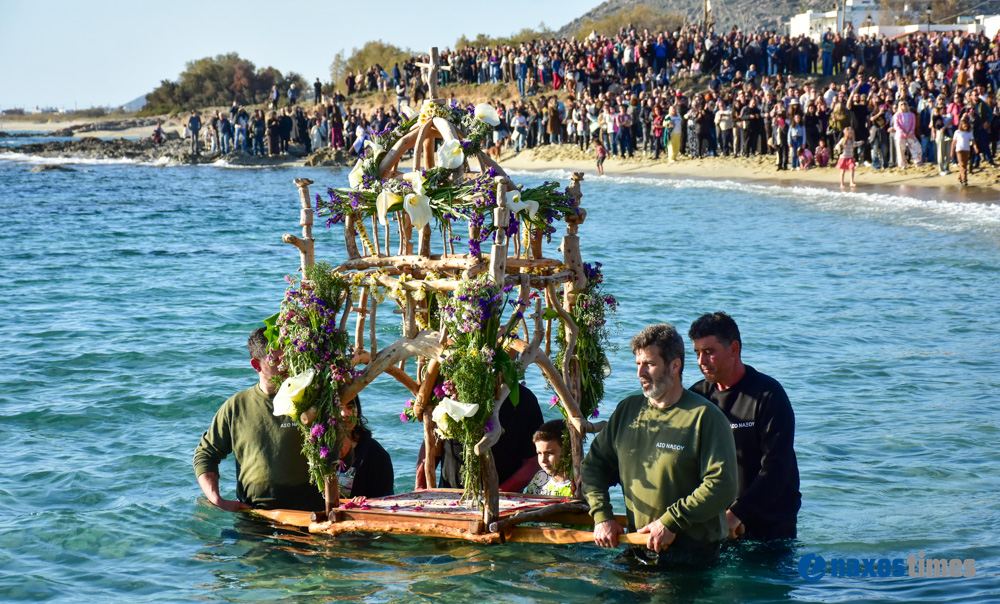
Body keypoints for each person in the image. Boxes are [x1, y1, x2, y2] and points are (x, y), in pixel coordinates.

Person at [582, 323, 737, 567]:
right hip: (637, 546)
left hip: (690, 554)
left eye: (650, 364)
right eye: (637, 364)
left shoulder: (704, 417)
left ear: (675, 366)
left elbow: (722, 485)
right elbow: (593, 466)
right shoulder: (627, 411)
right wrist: (602, 515)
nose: (640, 373)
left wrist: (671, 522)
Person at [688, 313, 801, 541]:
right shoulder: (696, 397)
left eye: (709, 352)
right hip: (719, 525)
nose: (701, 361)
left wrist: (737, 514)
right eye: (697, 353)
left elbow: (777, 468)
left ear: (734, 348)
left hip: (770, 528)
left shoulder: (769, 395)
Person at [193, 328, 324, 512]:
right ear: (256, 365)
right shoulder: (236, 406)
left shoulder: (309, 400)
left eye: (288, 357)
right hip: (254, 515)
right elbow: (205, 454)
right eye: (276, 360)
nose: (285, 365)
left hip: (309, 514)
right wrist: (217, 499)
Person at [416, 384, 542, 492]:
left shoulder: (523, 400)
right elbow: (432, 442)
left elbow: (533, 461)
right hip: (448, 492)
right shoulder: (452, 393)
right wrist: (420, 487)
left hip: (505, 498)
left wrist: (498, 495)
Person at [336, 395, 394, 499]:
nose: (344, 414)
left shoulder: (375, 454)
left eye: (350, 407)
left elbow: (385, 498)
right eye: (338, 408)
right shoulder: (318, 449)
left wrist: (365, 503)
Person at [525, 420, 572, 497]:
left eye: (550, 453)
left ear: (568, 450)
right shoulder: (540, 477)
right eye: (539, 453)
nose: (543, 460)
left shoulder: (578, 484)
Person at [951, 117, 977, 187]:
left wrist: (975, 148)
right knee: (962, 165)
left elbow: (973, 141)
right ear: (961, 125)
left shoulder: (969, 133)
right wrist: (952, 152)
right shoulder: (957, 132)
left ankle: (959, 179)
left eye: (966, 126)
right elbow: (953, 142)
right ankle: (964, 180)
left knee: (964, 165)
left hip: (967, 150)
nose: (965, 127)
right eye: (964, 125)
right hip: (959, 150)